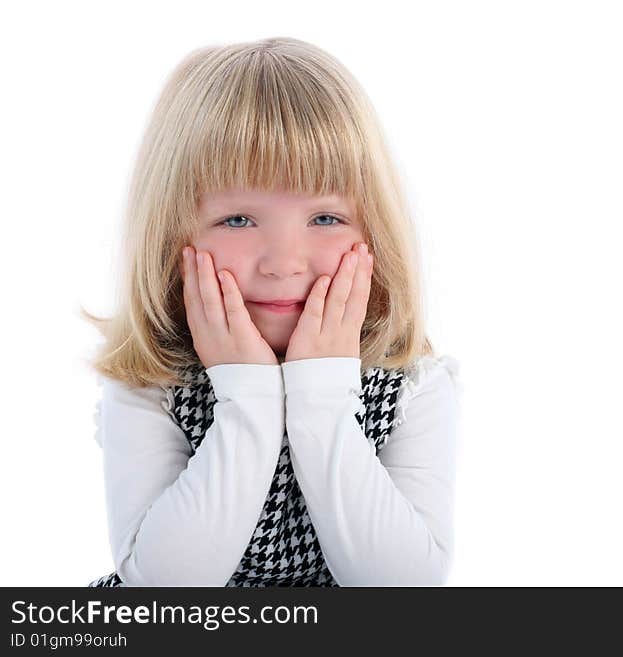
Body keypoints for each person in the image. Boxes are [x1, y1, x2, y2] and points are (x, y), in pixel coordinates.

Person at [79, 36, 461, 587]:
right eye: (238, 220)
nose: (284, 263)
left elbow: (400, 588)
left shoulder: (412, 386)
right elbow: (164, 590)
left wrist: (321, 395)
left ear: (375, 231)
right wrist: (247, 397)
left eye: (326, 218)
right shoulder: (151, 383)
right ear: (170, 235)